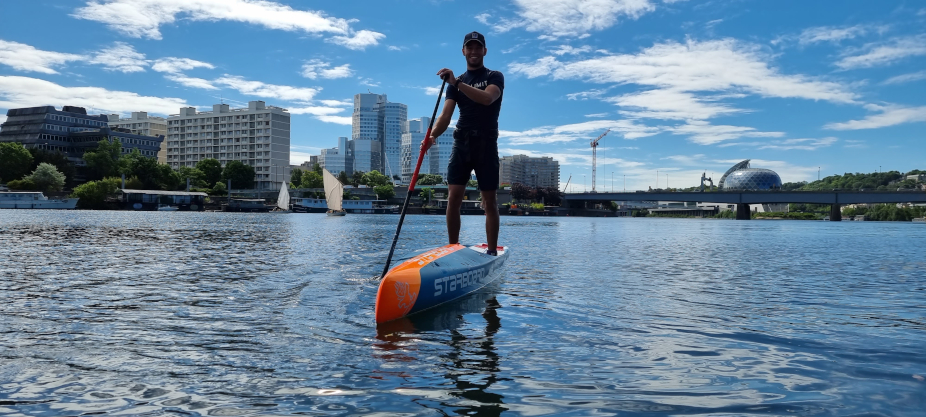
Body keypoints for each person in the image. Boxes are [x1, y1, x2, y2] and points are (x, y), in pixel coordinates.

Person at [423, 31, 504, 256]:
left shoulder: (494, 76)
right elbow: (445, 116)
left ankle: (491, 252)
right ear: (463, 52)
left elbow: (487, 99)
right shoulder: (455, 84)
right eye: (470, 47)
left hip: (486, 143)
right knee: (454, 196)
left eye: (478, 47)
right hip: (462, 142)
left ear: (485, 51)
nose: (474, 51)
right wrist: (432, 136)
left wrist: (457, 83)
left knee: (489, 201)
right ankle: (452, 248)